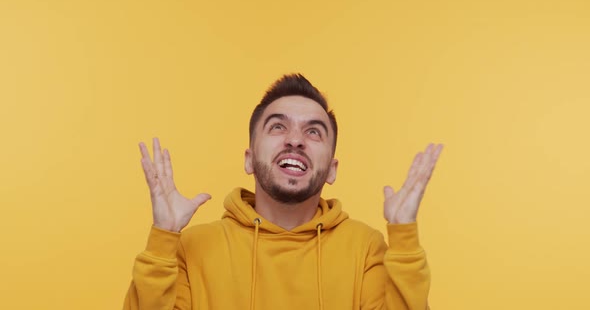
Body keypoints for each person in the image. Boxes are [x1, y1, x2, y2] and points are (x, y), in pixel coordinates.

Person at [123, 74, 443, 310]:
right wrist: (162, 238)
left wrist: (404, 240)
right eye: (278, 126)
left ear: (332, 169)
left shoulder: (365, 249)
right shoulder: (193, 248)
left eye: (313, 131)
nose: (295, 140)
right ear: (249, 159)